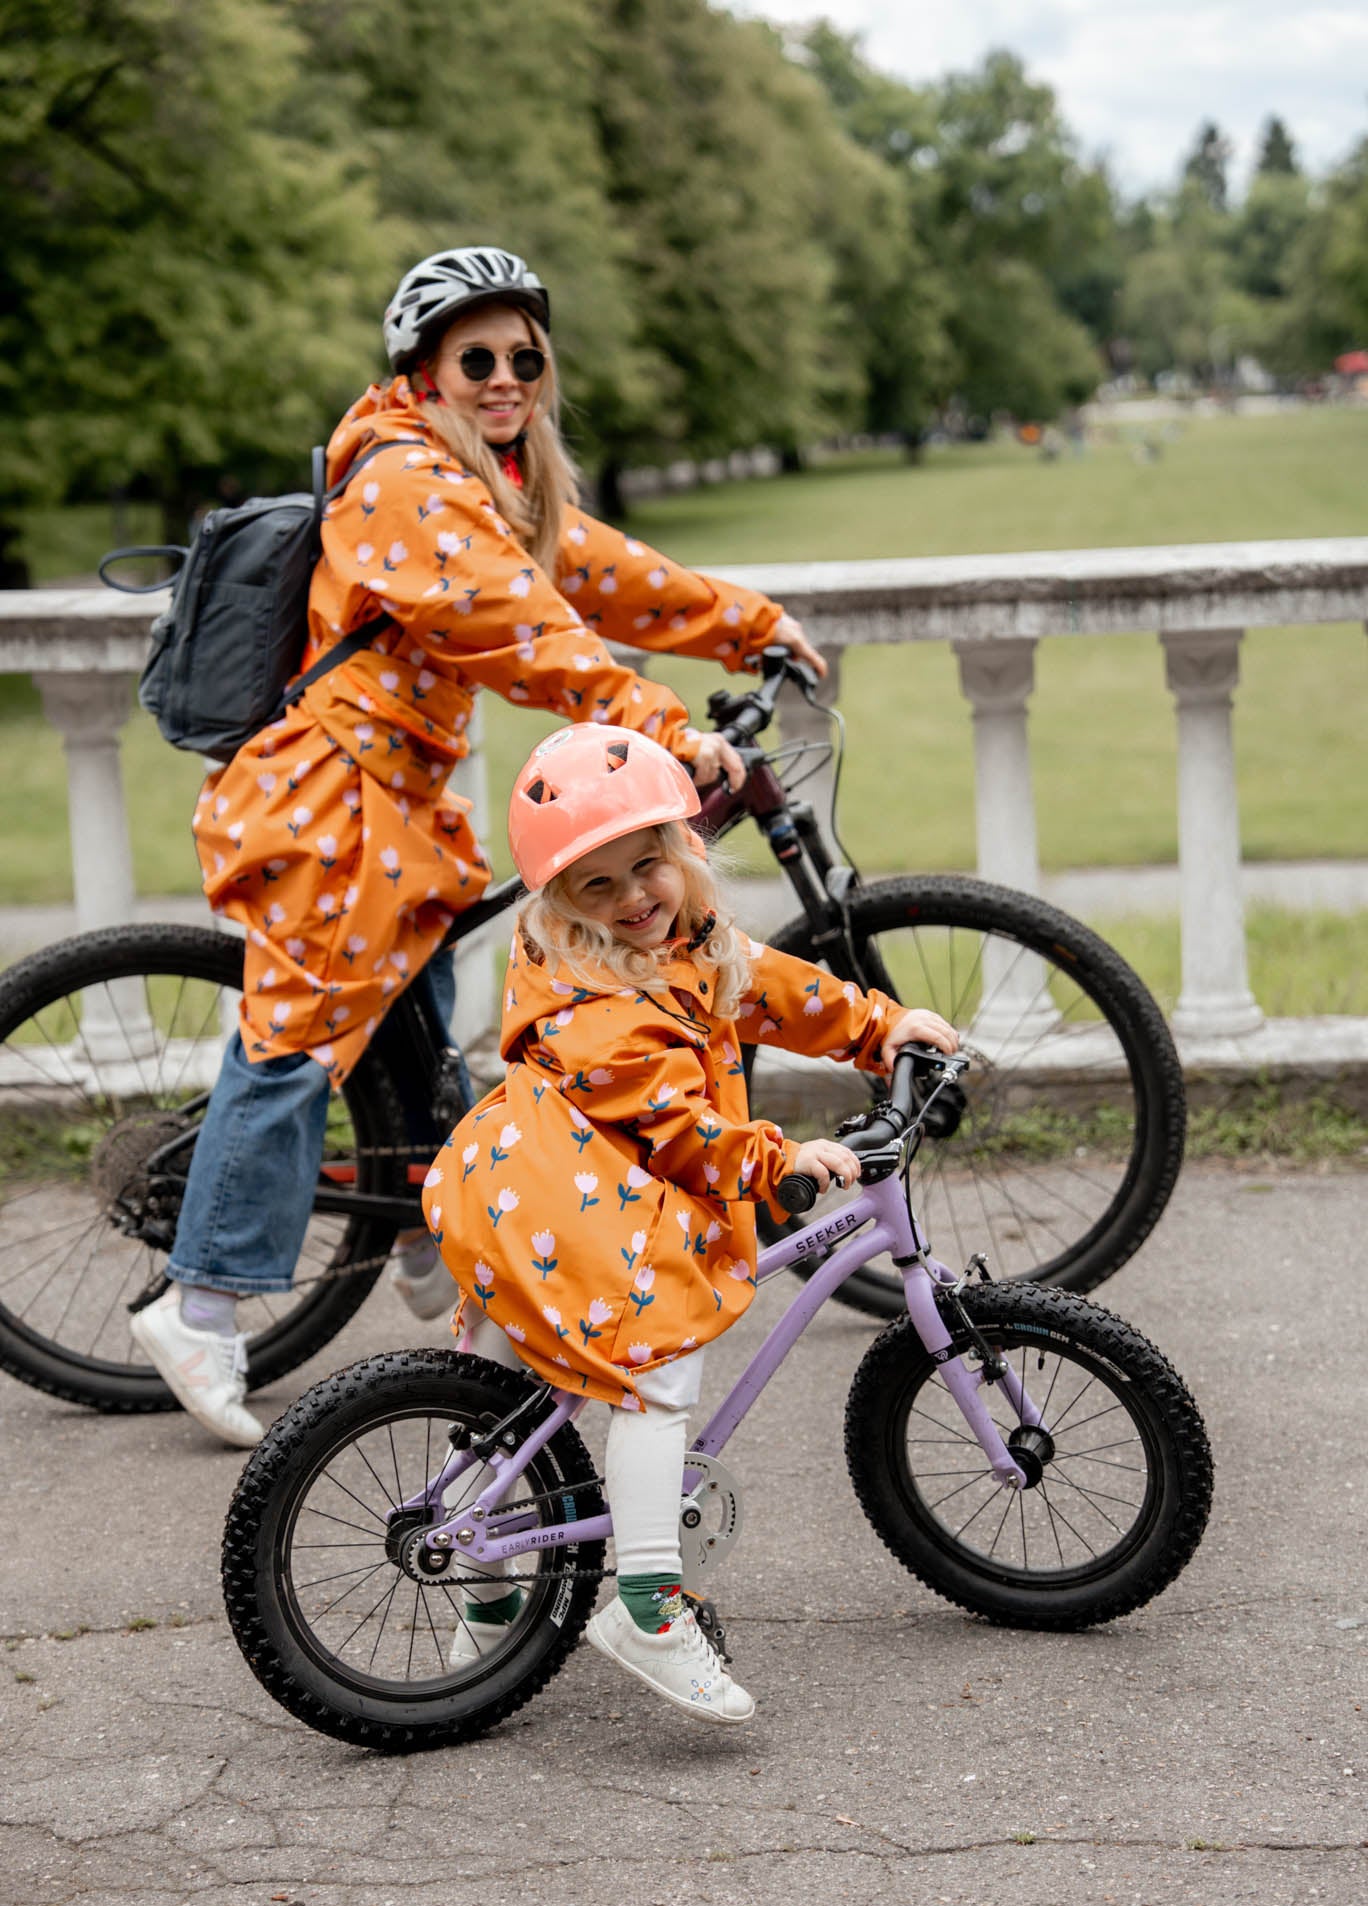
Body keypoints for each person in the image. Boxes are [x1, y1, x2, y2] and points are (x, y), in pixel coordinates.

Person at [130, 245, 825, 1449]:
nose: (505, 377)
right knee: (292, 1045)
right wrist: (656, 720)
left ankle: (421, 1239)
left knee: (414, 1039)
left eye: (524, 358)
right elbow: (515, 628)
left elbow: (598, 575)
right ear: (425, 367)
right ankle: (200, 1305)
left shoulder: (495, 478)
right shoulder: (401, 478)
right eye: (477, 358)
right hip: (331, 804)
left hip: (397, 814)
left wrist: (749, 625)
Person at [422, 723, 958, 1725]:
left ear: (683, 847)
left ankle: (488, 1607)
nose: (634, 896)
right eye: (598, 886)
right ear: (558, 902)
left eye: (648, 864)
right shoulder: (598, 1001)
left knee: (497, 1394)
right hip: (569, 1205)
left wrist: (879, 1027)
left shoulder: (676, 940)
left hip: (534, 1187)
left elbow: (765, 982)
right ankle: (645, 1607)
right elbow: (685, 1133)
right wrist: (781, 1161)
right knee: (653, 1377)